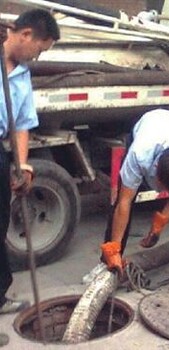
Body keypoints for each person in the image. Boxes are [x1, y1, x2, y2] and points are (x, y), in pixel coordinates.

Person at [84, 108, 169, 299]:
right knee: (121, 203)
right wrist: (113, 248)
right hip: (148, 125)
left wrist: (160, 222)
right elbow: (124, 203)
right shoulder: (140, 154)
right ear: (155, 169)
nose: (162, 192)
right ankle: (107, 262)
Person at [0, 9, 60, 314]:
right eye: (40, 49)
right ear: (25, 35)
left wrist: (22, 165)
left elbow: (21, 124)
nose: (38, 57)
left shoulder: (23, 75)